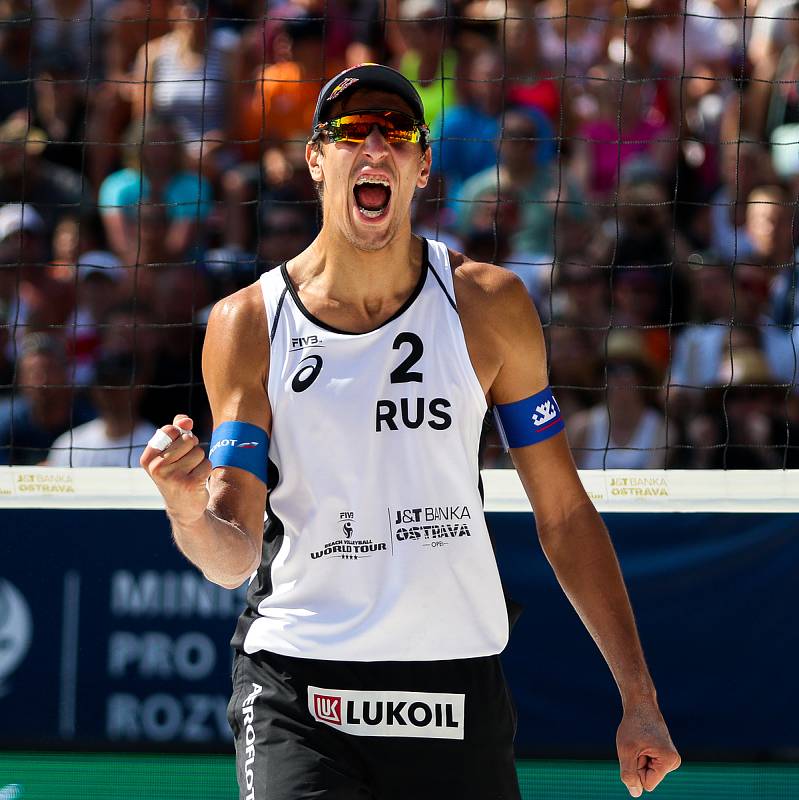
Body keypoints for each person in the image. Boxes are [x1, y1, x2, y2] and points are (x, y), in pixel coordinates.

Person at [141, 64, 680, 800]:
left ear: (422, 166)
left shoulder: (487, 304)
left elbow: (561, 512)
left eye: (396, 133)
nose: (375, 145)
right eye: (350, 130)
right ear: (315, 159)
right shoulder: (249, 323)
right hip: (299, 679)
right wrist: (182, 502)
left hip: (451, 677)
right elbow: (231, 553)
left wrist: (638, 698)